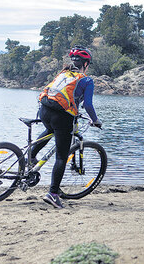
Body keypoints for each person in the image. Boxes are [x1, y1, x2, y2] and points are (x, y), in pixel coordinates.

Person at [30, 46, 101, 208]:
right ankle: (53, 194)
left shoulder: (63, 72)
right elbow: (88, 105)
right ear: (86, 64)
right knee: (61, 157)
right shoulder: (86, 80)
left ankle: (31, 157)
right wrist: (95, 120)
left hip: (44, 110)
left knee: (49, 130)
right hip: (61, 117)